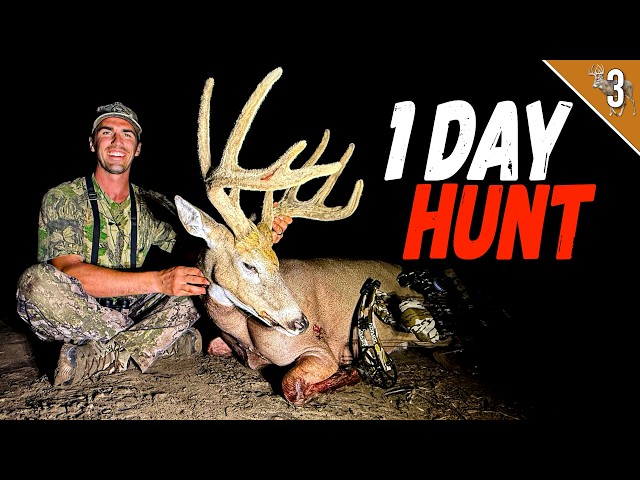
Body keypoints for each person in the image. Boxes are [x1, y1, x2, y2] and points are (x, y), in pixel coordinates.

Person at [15, 101, 292, 387]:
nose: (117, 141)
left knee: (199, 283)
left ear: (137, 148)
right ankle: (157, 341)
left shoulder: (151, 202)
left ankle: (108, 354)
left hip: (134, 307)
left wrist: (254, 235)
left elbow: (201, 250)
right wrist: (159, 281)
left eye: (127, 134)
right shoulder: (63, 198)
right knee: (36, 283)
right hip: (81, 309)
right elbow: (70, 271)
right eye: (107, 132)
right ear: (92, 143)